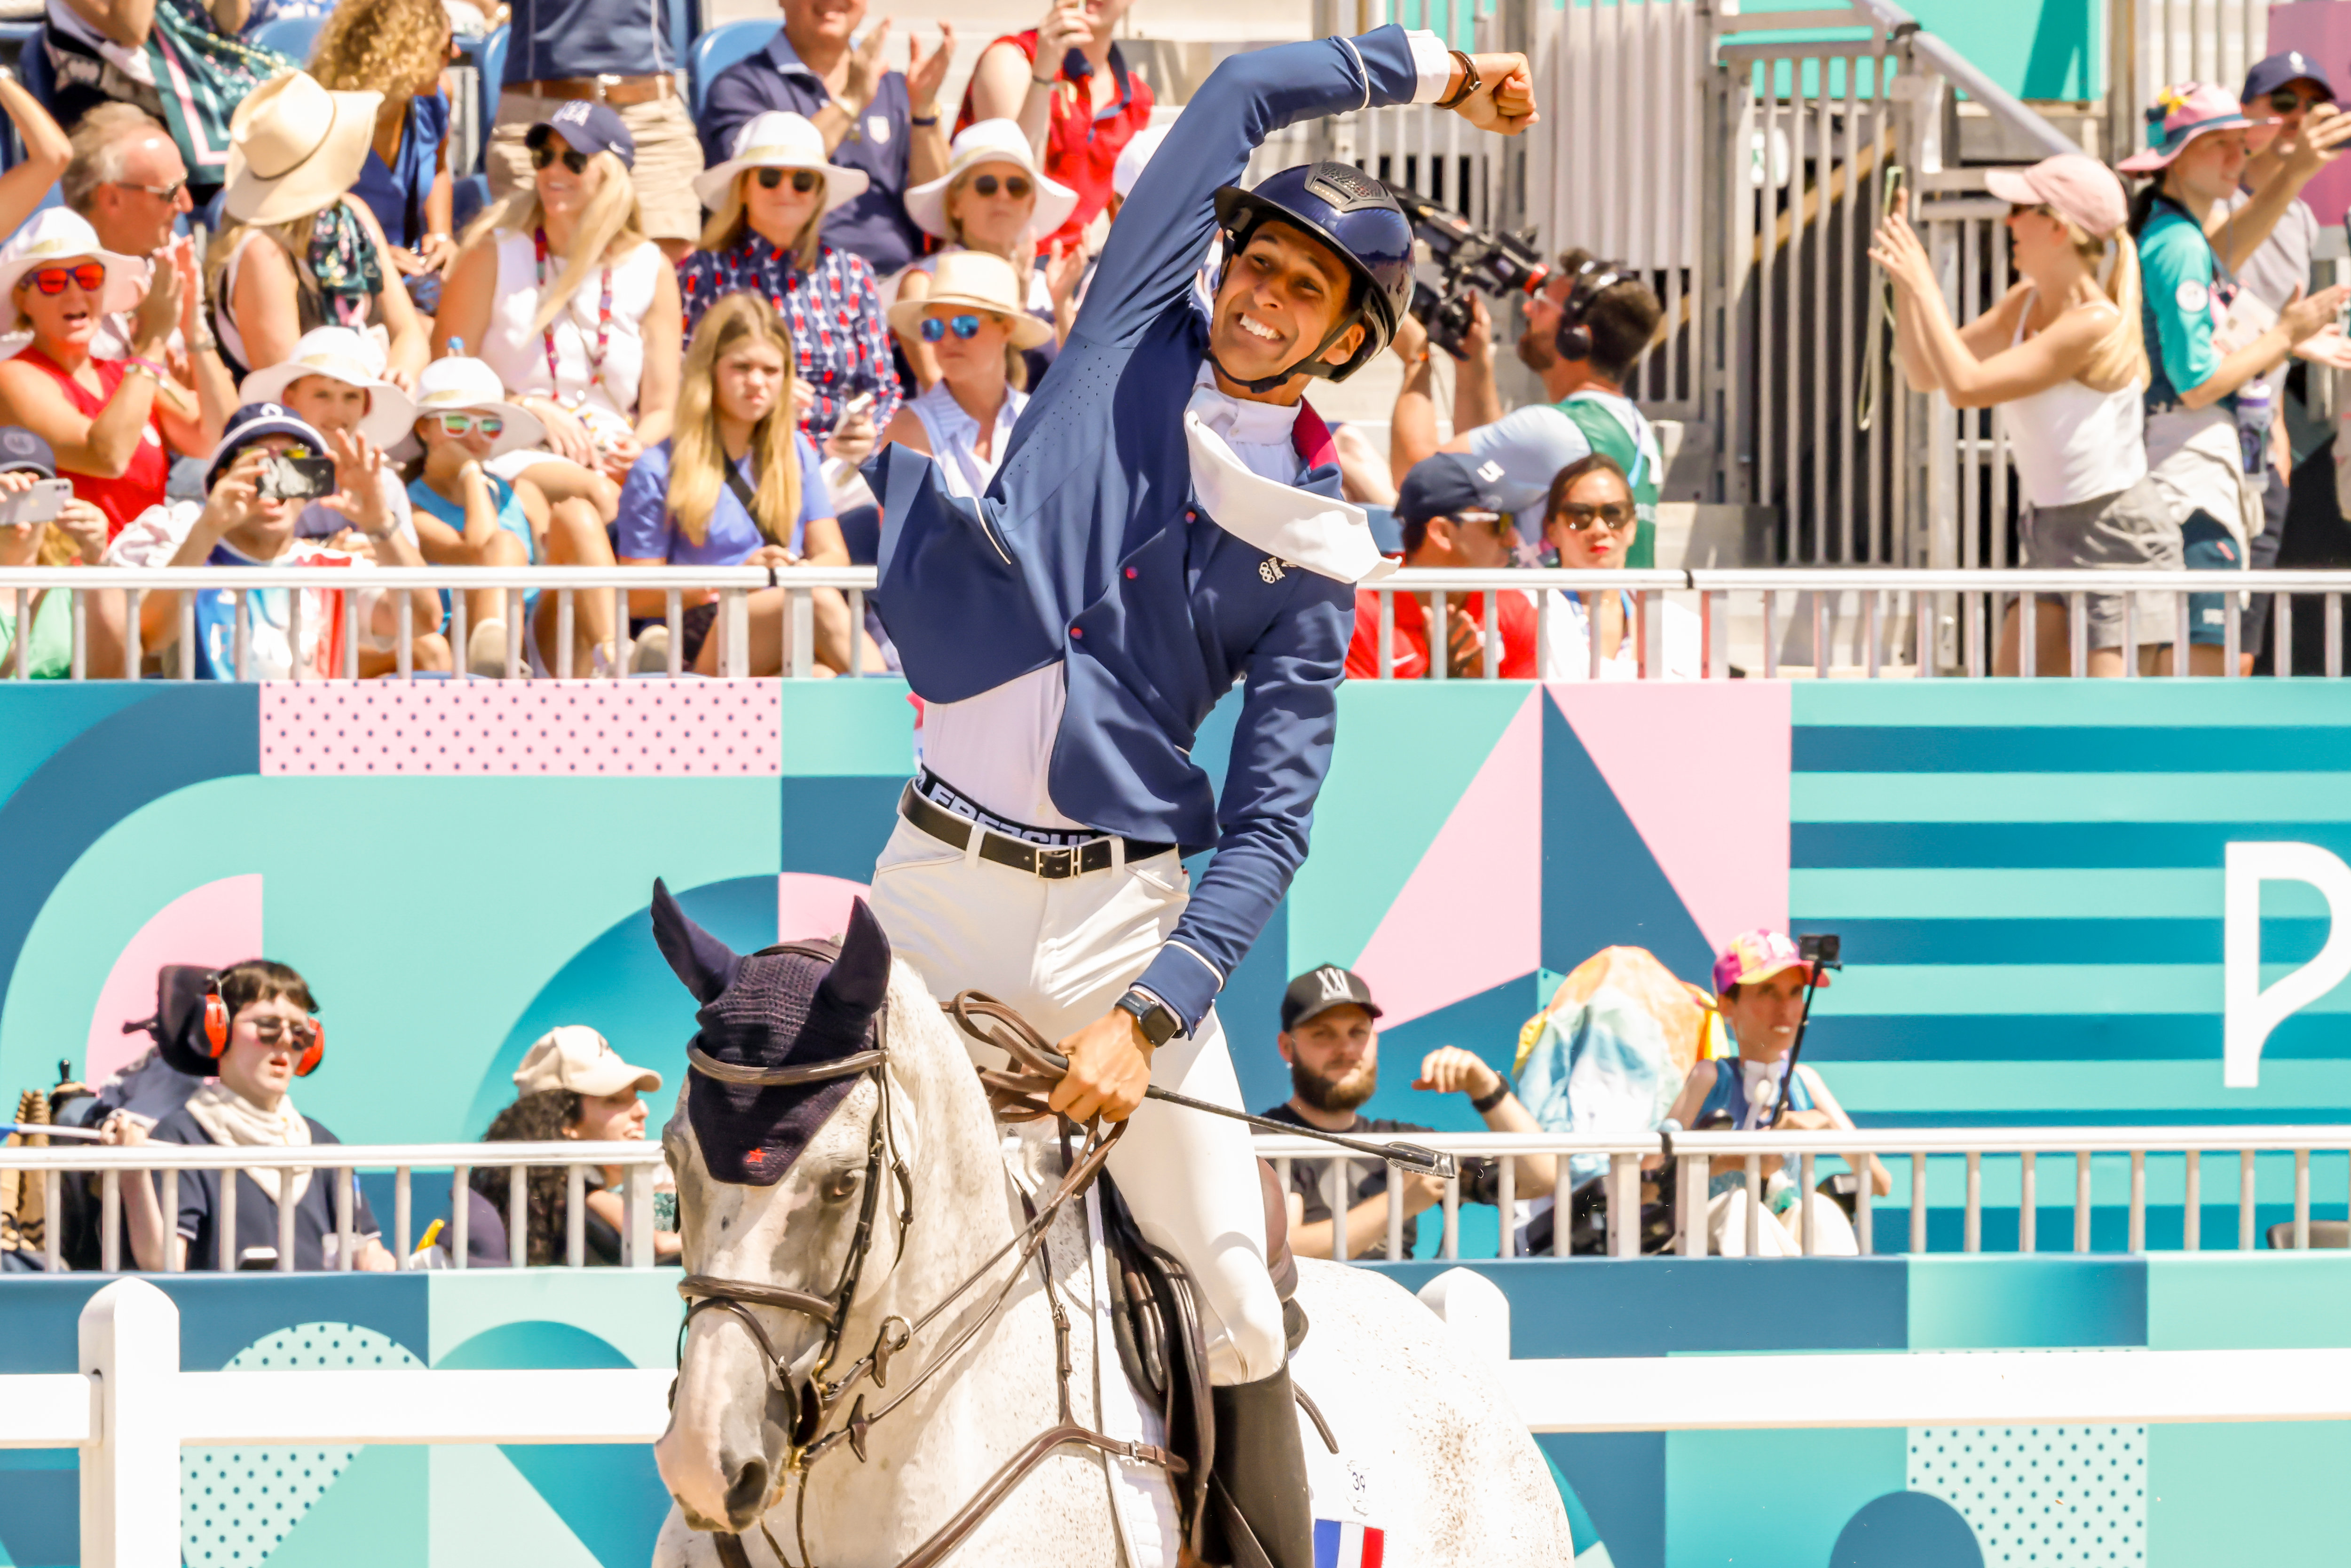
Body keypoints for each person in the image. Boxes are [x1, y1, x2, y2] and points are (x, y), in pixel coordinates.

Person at [858, 26, 1534, 1564]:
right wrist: (1436, 71)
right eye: (1261, 261)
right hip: (936, 882)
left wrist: (1148, 1011)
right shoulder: (1127, 330)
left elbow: (1273, 822)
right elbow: (1238, 92)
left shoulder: (1313, 549)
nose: (1262, 293)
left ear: (1350, 339)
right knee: (790, 1180)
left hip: (1116, 920)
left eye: (1308, 288)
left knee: (1235, 1285)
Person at [1870, 154, 2175, 677]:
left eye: (2019, 209)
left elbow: (1966, 387)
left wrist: (1924, 286)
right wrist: (1903, 282)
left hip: (2116, 533)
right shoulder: (2024, 303)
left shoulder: (2094, 322)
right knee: (2016, 712)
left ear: (2057, 228)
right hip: (2048, 527)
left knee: (2109, 732)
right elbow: (1925, 374)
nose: (2007, 221)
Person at [2124, 83, 2350, 673]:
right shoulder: (2175, 243)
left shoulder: (2176, 231)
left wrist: (2295, 174)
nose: (2236, 159)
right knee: (2201, 672)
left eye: (2238, 144)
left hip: (2190, 470)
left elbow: (2228, 248)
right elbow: (2195, 383)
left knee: (2192, 665)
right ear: (2175, 159)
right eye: (2217, 146)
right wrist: (2282, 334)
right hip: (2186, 477)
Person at [438, 100, 681, 508]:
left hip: (612, 455)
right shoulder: (492, 253)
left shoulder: (651, 268)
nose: (553, 171)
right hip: (510, 444)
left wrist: (636, 447)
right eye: (544, 157)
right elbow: (445, 378)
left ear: (612, 174)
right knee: (594, 499)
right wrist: (527, 408)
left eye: (573, 160)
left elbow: (662, 408)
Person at [615, 292, 869, 676]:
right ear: (710, 370)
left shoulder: (797, 451)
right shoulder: (658, 466)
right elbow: (637, 595)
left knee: (823, 677)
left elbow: (833, 555)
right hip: (699, 630)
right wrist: (738, 579)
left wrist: (787, 572)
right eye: (742, 367)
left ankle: (897, 715)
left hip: (788, 614)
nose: (757, 383)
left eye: (771, 371)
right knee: (816, 601)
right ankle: (908, 719)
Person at [96, 959, 400, 1273]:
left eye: (300, 1032)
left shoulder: (323, 1145)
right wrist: (133, 1175)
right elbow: (163, 1261)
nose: (285, 1041)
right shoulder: (181, 1138)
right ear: (217, 1029)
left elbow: (367, 1252)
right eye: (268, 1025)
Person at [115, 400, 451, 678]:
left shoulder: (333, 570)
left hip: (306, 750)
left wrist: (381, 523)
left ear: (312, 487)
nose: (275, 482)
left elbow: (424, 620)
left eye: (294, 465)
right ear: (222, 477)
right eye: (257, 464)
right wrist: (210, 524)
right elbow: (151, 638)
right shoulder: (187, 559)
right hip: (214, 748)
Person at [1260, 965, 1554, 1261]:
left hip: (1397, 1306)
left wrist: (1487, 1089)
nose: (1347, 1049)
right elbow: (1280, 1253)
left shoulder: (1405, 1143)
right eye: (1323, 1034)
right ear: (1287, 1047)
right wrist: (1398, 1203)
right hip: (1304, 1306)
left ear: (1374, 1041)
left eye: (1358, 1032)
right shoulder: (1261, 1140)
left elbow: (1541, 1179)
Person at [1395, 252, 1667, 565]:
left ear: (1575, 337)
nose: (1527, 308)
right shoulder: (1637, 428)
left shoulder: (1552, 430)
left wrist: (1416, 358)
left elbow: (1416, 481)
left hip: (1563, 613)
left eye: (1542, 304)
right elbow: (1489, 465)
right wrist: (1473, 362)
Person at [1653, 930, 1889, 1258]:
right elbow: (1650, 1177)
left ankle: (1835, 1302)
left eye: (1795, 992)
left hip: (1778, 1239)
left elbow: (1880, 1182)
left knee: (1820, 1212)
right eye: (1767, 991)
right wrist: (1734, 1161)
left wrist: (1825, 1128)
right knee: (1740, 1208)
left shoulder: (1806, 1082)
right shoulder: (1709, 1076)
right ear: (1726, 1004)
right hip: (1701, 1246)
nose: (1787, 1008)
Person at [2225, 55, 2351, 672]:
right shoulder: (2212, 205)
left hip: (2259, 448)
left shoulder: (2301, 218)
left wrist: (2277, 415)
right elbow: (2208, 289)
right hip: (2198, 443)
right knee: (2205, 638)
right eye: (2282, 104)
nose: (2299, 119)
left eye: (2313, 107)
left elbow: (2260, 323)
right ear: (2244, 115)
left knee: (2245, 636)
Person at [0, 209, 227, 543]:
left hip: (145, 581)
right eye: (53, 282)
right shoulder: (14, 376)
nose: (75, 293)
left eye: (89, 278)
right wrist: (152, 344)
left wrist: (194, 327)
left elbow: (218, 436)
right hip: (74, 587)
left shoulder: (130, 375)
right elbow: (107, 456)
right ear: (23, 299)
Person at [678, 110, 898, 453]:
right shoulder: (703, 271)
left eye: (802, 181)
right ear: (744, 188)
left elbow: (884, 389)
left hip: (839, 465)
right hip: (740, 455)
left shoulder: (852, 275)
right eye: (769, 177)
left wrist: (871, 433)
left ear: (818, 195)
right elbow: (683, 377)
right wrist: (761, 392)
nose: (786, 190)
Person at [205, 70, 434, 390]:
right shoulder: (263, 254)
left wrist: (400, 376)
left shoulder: (354, 214)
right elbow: (290, 388)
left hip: (375, 400)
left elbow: (409, 333)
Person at [696, 0, 954, 281]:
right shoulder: (741, 87)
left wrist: (924, 112)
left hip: (900, 283)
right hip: (788, 282)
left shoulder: (896, 87)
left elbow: (940, 211)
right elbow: (738, 186)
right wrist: (851, 102)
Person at [404, 354, 615, 676]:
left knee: (579, 515)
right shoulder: (410, 505)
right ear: (424, 428)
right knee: (503, 546)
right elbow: (482, 548)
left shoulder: (523, 493)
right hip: (459, 648)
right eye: (458, 423)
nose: (473, 437)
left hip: (536, 643)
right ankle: (495, 671)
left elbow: (553, 568)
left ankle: (613, 654)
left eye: (489, 425)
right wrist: (470, 473)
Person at [488, 0, 704, 261]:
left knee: (665, 262)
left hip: (646, 115)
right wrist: (494, 9)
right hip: (541, 110)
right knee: (523, 263)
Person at [42, 0, 295, 211]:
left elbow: (229, 21)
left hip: (187, 93)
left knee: (286, 136)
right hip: (105, 103)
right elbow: (132, 30)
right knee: (250, 184)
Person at [891, 117, 1079, 393]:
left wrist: (1062, 305)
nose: (1002, 196)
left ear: (1031, 204)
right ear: (955, 203)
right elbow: (940, 387)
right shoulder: (925, 283)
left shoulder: (1050, 286)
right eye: (987, 186)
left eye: (1017, 187)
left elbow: (1084, 385)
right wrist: (1016, 304)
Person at [473, 1025, 680, 1265]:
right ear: (565, 1119)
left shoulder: (537, 1202)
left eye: (636, 1097)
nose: (642, 1110)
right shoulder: (578, 1199)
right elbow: (661, 1245)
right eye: (614, 1099)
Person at [957, 0, 1150, 252]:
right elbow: (1012, 188)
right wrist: (1043, 75)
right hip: (1003, 259)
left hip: (1075, 271)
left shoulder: (1136, 98)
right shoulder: (1012, 59)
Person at [308, 0, 460, 316]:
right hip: (342, 282)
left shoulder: (436, 97)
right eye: (445, 48)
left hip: (412, 276)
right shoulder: (324, 115)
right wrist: (369, 254)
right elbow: (299, 226)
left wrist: (441, 234)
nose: (456, 55)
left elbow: (439, 169)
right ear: (406, 56)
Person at [1343, 449, 1535, 679]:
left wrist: (1474, 690)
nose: (1513, 538)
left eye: (1513, 520)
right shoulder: (1356, 612)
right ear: (1442, 532)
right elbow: (1360, 715)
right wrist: (1437, 686)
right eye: (1500, 522)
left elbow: (1529, 713)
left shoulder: (1511, 606)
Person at [877, 249, 1043, 498]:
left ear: (1006, 328)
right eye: (933, 328)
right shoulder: (908, 431)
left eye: (964, 326)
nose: (947, 341)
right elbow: (910, 536)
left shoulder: (1038, 419)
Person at [238, 323, 422, 546]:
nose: (337, 412)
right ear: (291, 398)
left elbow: (414, 578)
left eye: (351, 397)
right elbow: (247, 557)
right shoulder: (264, 471)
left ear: (366, 406)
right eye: (322, 395)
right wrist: (325, 553)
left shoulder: (382, 482)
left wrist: (382, 532)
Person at [60, 104, 204, 374]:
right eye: (170, 192)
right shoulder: (59, 288)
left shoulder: (176, 257)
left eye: (186, 184)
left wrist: (194, 332)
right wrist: (151, 342)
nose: (186, 204)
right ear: (112, 199)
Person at [1536, 452, 1699, 680]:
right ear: (1551, 530)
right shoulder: (1528, 612)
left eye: (1614, 514)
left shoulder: (1679, 626)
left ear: (1632, 526)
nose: (1599, 529)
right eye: (1580, 516)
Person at [0, 430, 121, 679]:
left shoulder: (71, 585)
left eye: (36, 490)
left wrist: (97, 560)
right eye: (8, 488)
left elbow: (114, 673)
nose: (20, 496)